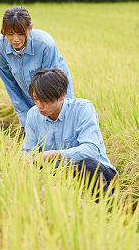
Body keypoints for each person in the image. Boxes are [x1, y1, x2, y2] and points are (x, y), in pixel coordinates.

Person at [22, 68, 117, 196]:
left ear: (62, 95)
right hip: (60, 176)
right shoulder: (33, 115)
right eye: (35, 99)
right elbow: (27, 153)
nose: (39, 106)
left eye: (45, 100)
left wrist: (53, 155)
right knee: (30, 167)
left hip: (98, 175)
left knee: (87, 165)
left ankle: (107, 211)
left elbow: (91, 149)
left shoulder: (82, 109)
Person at [0, 6, 74, 131]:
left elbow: (52, 84)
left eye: (20, 34)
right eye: (10, 34)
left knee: (61, 131)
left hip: (55, 92)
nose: (15, 39)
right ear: (3, 31)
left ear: (30, 29)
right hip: (29, 95)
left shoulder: (45, 45)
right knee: (35, 138)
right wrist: (24, 118)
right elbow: (11, 85)